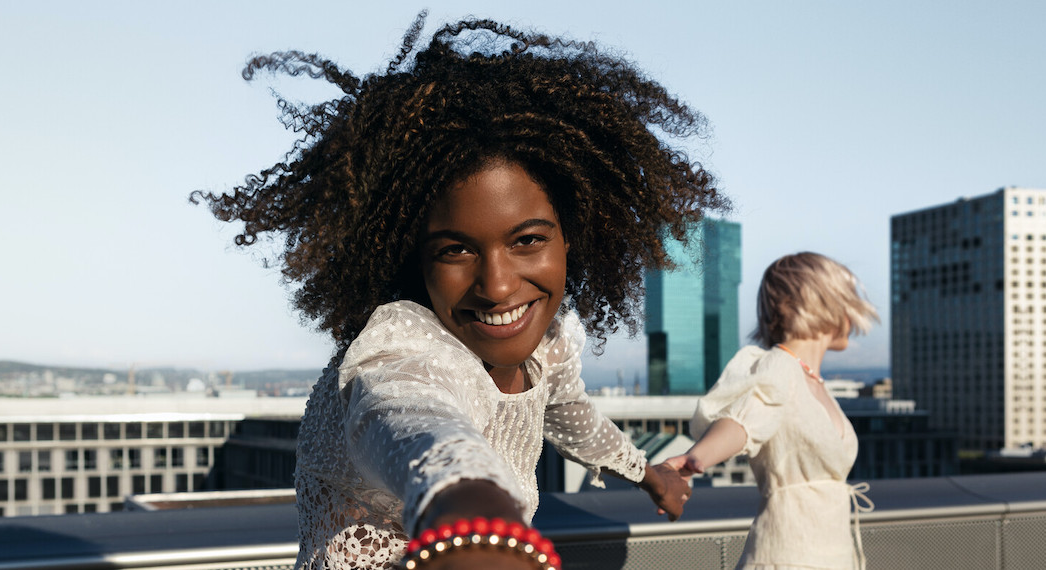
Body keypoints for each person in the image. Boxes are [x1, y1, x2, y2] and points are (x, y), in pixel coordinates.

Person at [193, 13, 727, 570]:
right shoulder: (405, 347)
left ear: (574, 236)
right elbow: (418, 425)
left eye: (526, 240)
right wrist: (474, 527)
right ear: (415, 258)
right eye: (456, 250)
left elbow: (571, 414)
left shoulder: (551, 343)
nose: (496, 286)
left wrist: (650, 475)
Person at [661, 252, 879, 569]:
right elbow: (745, 419)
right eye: (846, 299)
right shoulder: (780, 367)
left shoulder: (813, 381)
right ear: (820, 301)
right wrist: (696, 458)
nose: (851, 312)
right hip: (789, 558)